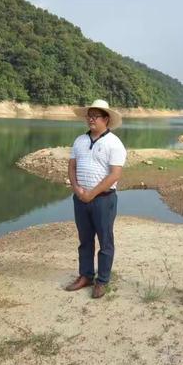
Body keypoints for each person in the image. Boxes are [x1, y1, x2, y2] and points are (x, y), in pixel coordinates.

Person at [65, 99, 127, 299]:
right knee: (85, 240)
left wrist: (92, 193)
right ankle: (86, 275)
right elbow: (71, 166)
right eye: (89, 116)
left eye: (95, 116)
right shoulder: (79, 141)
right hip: (80, 198)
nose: (91, 119)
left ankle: (102, 280)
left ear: (106, 119)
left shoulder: (114, 143)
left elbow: (115, 174)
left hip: (103, 200)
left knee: (105, 240)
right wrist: (76, 188)